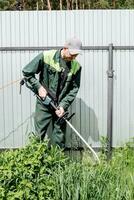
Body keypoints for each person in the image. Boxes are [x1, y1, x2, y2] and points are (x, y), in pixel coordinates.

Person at [22, 37, 82, 148]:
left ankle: (58, 163)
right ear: (65, 48)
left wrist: (63, 106)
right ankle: (35, 161)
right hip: (44, 102)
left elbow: (74, 89)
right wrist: (39, 87)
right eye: (72, 54)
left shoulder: (76, 67)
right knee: (38, 135)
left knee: (60, 137)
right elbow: (27, 72)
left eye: (76, 55)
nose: (74, 57)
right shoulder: (46, 56)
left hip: (60, 106)